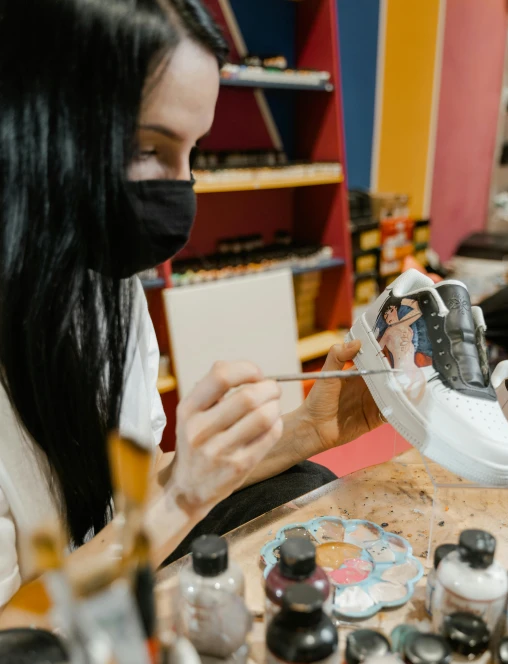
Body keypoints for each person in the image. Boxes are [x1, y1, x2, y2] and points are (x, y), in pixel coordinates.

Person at [0, 0, 381, 624]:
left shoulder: (105, 287)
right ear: (38, 123)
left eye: (192, 153)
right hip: (41, 647)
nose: (182, 191)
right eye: (151, 147)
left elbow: (135, 489)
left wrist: (311, 428)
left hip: (115, 572)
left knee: (305, 485)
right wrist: (182, 498)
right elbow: (11, 632)